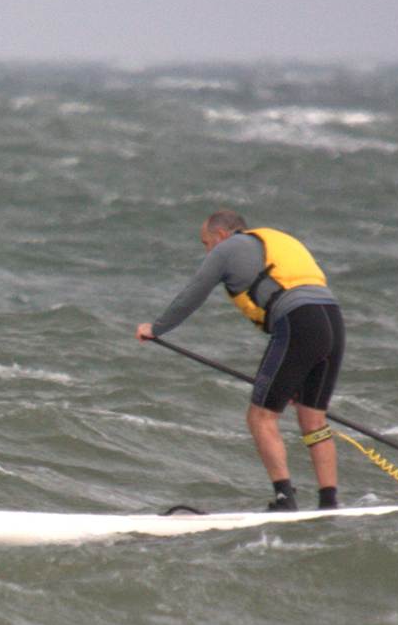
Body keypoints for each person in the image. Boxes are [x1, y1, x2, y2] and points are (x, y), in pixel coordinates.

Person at [135, 209, 344, 511]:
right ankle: (329, 502)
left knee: (260, 417)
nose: (207, 251)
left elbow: (193, 293)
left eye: (206, 243)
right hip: (332, 322)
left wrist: (156, 329)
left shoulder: (228, 248)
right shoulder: (273, 241)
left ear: (221, 235)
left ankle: (285, 499)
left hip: (299, 322)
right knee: (313, 419)